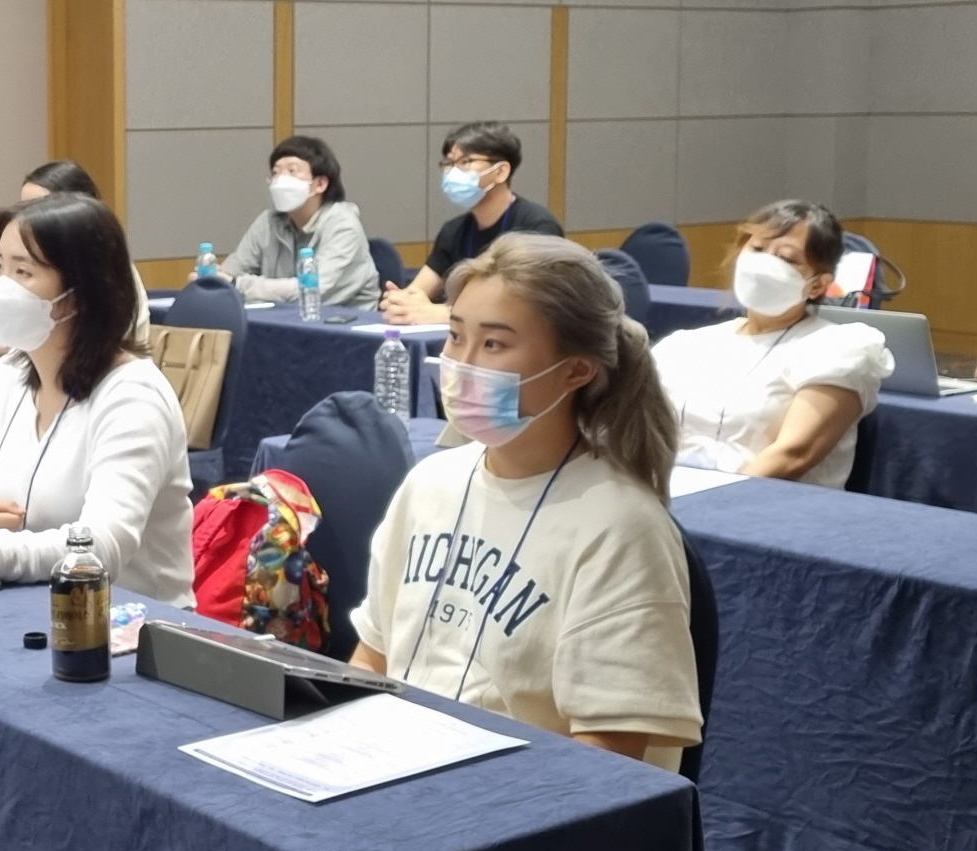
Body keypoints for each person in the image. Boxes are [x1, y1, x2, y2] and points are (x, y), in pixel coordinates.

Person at [350, 234, 701, 770]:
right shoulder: (429, 483)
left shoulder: (623, 526)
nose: (461, 363)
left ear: (576, 370)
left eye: (494, 344)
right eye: (455, 336)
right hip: (399, 774)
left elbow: (608, 762)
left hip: (526, 799)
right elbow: (372, 659)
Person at [0, 191, 194, 607]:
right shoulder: (9, 374)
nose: (1, 288)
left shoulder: (134, 397)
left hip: (135, 622)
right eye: (0, 266)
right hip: (34, 605)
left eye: (23, 272)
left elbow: (102, 548)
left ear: (79, 294)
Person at [652, 201, 893, 488]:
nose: (764, 265)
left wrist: (707, 501)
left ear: (817, 285)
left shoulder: (838, 348)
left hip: (757, 503)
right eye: (757, 249)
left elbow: (794, 455)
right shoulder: (685, 345)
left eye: (787, 258)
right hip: (665, 497)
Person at [0, 161, 151, 363]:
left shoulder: (108, 272)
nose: (26, 218)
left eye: (39, 208)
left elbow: (67, 336)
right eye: (23, 207)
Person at [382, 122, 564, 324]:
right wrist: (400, 303)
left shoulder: (537, 228)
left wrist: (447, 314)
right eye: (449, 163)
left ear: (501, 172)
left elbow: (529, 307)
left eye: (466, 162)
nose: (453, 172)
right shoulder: (454, 230)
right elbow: (416, 292)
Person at [216, 135, 377, 309]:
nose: (280, 180)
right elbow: (230, 272)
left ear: (320, 184)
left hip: (345, 320)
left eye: (292, 171)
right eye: (276, 173)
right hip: (281, 317)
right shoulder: (269, 221)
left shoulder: (343, 224)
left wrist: (238, 284)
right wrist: (212, 279)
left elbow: (312, 289)